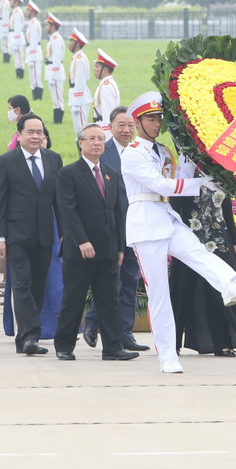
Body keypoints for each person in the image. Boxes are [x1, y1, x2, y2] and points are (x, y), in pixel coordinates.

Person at [121, 92, 236, 373]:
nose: (157, 124)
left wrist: (202, 166)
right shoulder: (132, 152)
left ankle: (229, 285)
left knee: (198, 252)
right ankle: (167, 356)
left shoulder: (163, 151)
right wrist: (200, 184)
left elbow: (178, 178)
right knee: (159, 294)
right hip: (145, 222)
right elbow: (162, 185)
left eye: (159, 118)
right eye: (151, 119)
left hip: (166, 216)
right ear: (138, 122)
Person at [53, 124, 137, 362]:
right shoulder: (69, 173)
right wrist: (82, 241)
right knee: (74, 299)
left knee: (109, 300)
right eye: (91, 138)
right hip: (80, 250)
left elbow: (116, 212)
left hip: (108, 249)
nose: (97, 143)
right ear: (81, 143)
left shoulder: (111, 173)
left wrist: (119, 247)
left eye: (100, 138)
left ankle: (113, 348)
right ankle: (64, 346)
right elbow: (68, 211)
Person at [169, 155, 236, 357]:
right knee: (181, 292)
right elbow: (174, 207)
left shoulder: (220, 171)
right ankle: (171, 343)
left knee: (223, 290)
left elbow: (226, 208)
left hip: (219, 240)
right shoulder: (182, 170)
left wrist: (234, 241)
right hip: (188, 238)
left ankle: (223, 343)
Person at [0, 113, 63, 356]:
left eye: (39, 132)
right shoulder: (6, 161)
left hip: (45, 235)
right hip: (16, 236)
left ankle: (23, 338)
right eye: (30, 132)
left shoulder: (53, 159)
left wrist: (65, 232)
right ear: (19, 135)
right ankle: (32, 335)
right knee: (22, 285)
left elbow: (59, 200)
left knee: (38, 287)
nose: (35, 136)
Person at [82, 107, 149, 352]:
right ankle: (92, 323)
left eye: (131, 125)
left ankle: (125, 334)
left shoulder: (142, 151)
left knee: (130, 281)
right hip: (110, 229)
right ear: (110, 127)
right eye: (121, 125)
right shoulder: (102, 151)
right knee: (111, 281)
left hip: (136, 226)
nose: (126, 130)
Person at [67, 29, 91, 138]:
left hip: (80, 99)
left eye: (71, 41)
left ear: (77, 44)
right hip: (76, 97)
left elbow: (80, 81)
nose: (68, 43)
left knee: (82, 131)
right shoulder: (77, 58)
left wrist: (77, 102)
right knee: (78, 131)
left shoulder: (80, 59)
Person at [91, 49, 120, 141]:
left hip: (104, 131)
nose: (94, 69)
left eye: (97, 66)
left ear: (104, 69)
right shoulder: (106, 84)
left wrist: (107, 141)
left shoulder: (106, 87)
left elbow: (108, 115)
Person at [44, 13, 66, 124]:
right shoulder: (53, 38)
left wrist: (53, 75)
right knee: (55, 98)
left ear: (53, 26)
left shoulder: (56, 39)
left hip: (55, 73)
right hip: (51, 70)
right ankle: (56, 122)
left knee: (58, 99)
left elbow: (56, 59)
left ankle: (58, 122)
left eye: (47, 25)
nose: (46, 27)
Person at [24, 1, 43, 100]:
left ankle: (38, 98)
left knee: (36, 77)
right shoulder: (32, 23)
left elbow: (34, 42)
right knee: (33, 77)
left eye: (28, 10)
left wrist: (31, 56)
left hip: (34, 53)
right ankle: (35, 97)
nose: (26, 12)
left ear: (32, 12)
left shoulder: (34, 24)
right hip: (31, 52)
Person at [8, 0, 26, 79]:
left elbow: (18, 29)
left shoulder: (18, 12)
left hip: (17, 39)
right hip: (14, 37)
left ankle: (20, 77)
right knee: (16, 60)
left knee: (19, 60)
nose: (10, 2)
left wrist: (16, 42)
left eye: (11, 0)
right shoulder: (15, 12)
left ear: (16, 2)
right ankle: (18, 77)